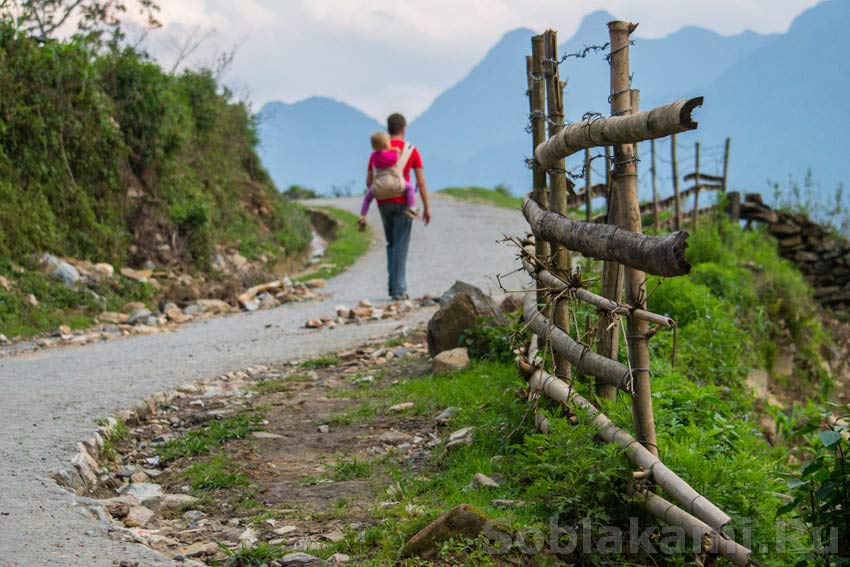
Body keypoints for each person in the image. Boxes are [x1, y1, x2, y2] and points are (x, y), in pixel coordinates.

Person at [359, 113, 431, 301]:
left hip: (383, 202)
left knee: (391, 243)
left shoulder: (376, 152)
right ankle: (399, 290)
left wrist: (382, 192)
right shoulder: (410, 150)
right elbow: (421, 182)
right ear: (403, 128)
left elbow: (369, 181)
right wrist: (426, 208)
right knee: (401, 244)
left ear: (388, 128)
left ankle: (393, 287)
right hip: (403, 203)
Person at [360, 131, 420, 220]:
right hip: (394, 184)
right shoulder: (392, 156)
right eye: (388, 142)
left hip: (378, 187)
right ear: (385, 144)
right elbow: (397, 159)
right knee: (410, 187)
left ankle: (363, 216)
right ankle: (412, 208)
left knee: (367, 199)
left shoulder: (373, 156)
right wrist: (396, 151)